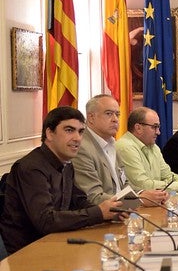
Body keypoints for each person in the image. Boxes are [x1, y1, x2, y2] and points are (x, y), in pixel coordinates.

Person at [0, 107, 122, 255]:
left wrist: (110, 212)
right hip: (26, 252)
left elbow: (78, 201)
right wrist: (98, 213)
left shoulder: (66, 163)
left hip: (55, 242)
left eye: (80, 132)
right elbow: (45, 221)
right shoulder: (31, 168)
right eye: (69, 130)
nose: (77, 138)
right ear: (49, 133)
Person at [73, 95, 168, 206]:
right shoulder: (81, 147)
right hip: (102, 214)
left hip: (122, 211)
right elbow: (93, 197)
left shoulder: (112, 143)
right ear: (91, 117)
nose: (115, 119)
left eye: (117, 114)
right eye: (108, 114)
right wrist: (140, 199)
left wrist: (145, 194)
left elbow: (123, 185)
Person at [116, 107, 178, 192]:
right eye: (154, 127)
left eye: (158, 127)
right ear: (138, 128)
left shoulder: (153, 147)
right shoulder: (126, 147)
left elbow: (167, 176)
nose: (158, 132)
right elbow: (142, 184)